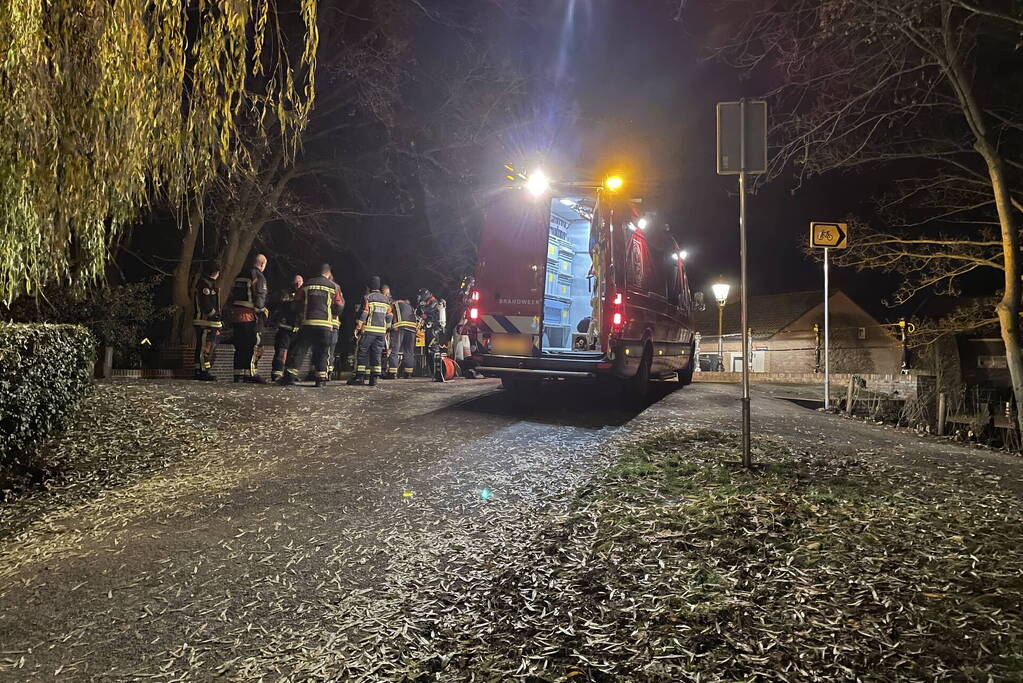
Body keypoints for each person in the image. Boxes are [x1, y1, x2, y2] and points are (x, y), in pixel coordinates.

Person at [279, 264, 344, 387]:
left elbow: (296, 302)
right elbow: (339, 305)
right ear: (329, 274)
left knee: (299, 349)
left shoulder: (307, 284)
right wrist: (332, 313)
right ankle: (320, 380)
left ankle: (290, 377)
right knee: (323, 351)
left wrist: (301, 312)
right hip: (326, 325)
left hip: (308, 323)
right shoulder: (333, 286)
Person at [227, 253, 269, 383]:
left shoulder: (240, 275)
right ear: (262, 264)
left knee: (240, 346)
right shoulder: (258, 276)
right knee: (254, 344)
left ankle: (238, 374)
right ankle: (251, 373)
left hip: (236, 316)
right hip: (250, 316)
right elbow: (260, 297)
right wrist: (262, 312)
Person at [348, 276, 391, 386]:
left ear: (370, 286)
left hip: (369, 331)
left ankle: (360, 377)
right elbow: (389, 316)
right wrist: (386, 329)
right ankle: (374, 379)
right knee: (376, 354)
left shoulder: (368, 297)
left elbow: (364, 313)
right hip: (381, 333)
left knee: (362, 353)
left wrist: (357, 328)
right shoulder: (386, 300)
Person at [192, 261, 222, 381]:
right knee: (205, 346)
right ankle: (201, 371)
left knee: (209, 347)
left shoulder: (209, 284)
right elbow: (206, 305)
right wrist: (215, 316)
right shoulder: (204, 285)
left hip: (210, 322)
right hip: (205, 322)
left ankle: (204, 370)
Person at [270, 274, 303, 382]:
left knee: (293, 354)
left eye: (300, 282)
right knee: (281, 352)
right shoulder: (285, 293)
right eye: (296, 282)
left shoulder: (303, 295)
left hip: (297, 329)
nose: (298, 284)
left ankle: (289, 375)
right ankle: (277, 373)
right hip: (285, 328)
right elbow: (286, 306)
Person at [386, 294, 418, 379]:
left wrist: (388, 328)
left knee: (395, 350)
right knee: (409, 350)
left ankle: (392, 373)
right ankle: (408, 373)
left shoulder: (393, 304)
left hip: (399, 327)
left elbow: (390, 315)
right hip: (412, 327)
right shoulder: (409, 305)